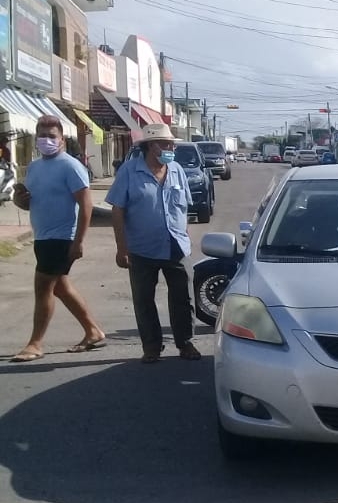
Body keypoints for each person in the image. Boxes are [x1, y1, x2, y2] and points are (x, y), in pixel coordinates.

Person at [10, 116, 107, 363]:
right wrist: (19, 199)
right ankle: (93, 331)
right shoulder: (33, 168)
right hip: (42, 236)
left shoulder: (70, 166)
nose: (46, 140)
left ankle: (35, 343)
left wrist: (78, 241)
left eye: (52, 136)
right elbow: (30, 202)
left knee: (43, 286)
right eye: (42, 135)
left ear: (62, 139)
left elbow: (86, 205)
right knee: (60, 287)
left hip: (62, 236)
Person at [106, 122, 201, 364]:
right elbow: (118, 210)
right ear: (150, 146)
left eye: (171, 144)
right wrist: (121, 247)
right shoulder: (129, 171)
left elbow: (184, 209)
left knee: (183, 297)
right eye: (165, 144)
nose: (170, 148)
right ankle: (151, 346)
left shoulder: (177, 169)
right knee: (144, 299)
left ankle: (185, 342)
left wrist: (185, 235)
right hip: (141, 248)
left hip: (176, 246)